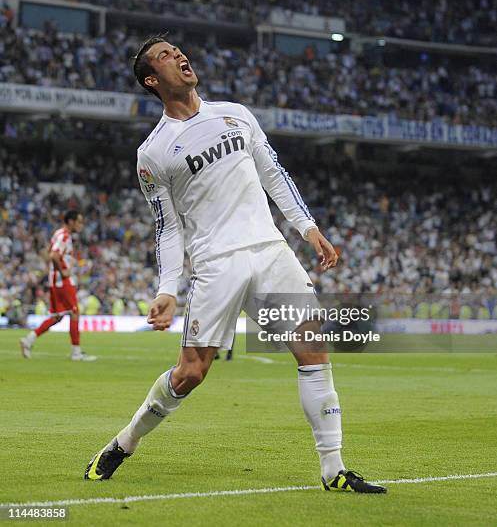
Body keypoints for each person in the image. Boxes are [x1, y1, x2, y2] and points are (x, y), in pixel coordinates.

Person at [84, 36, 385, 494]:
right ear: (151, 80)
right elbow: (167, 228)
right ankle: (125, 442)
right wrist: (168, 288)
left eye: (178, 50)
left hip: (269, 250)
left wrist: (307, 228)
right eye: (165, 56)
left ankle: (333, 469)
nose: (180, 57)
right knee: (190, 374)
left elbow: (273, 174)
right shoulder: (153, 153)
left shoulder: (236, 114)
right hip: (215, 263)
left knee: (315, 351)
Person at [20, 210, 96, 362]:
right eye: (79, 222)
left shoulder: (58, 233)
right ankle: (76, 352)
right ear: (71, 221)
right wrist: (63, 271)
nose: (81, 225)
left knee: (57, 317)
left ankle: (28, 340)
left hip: (54, 279)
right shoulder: (64, 235)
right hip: (61, 280)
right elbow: (53, 255)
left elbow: (50, 252)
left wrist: (67, 262)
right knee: (74, 312)